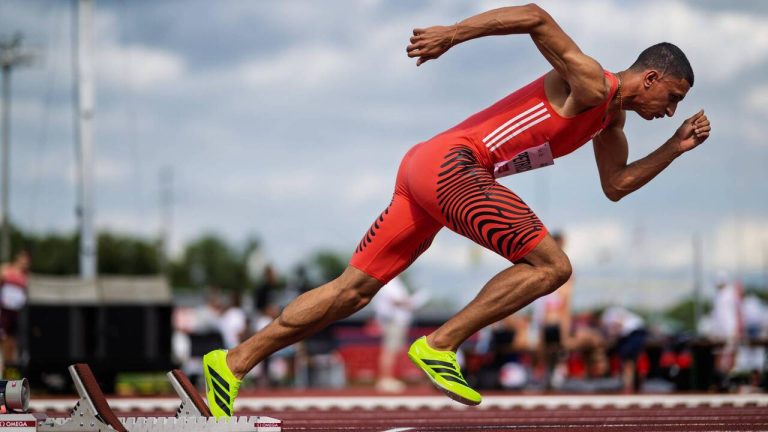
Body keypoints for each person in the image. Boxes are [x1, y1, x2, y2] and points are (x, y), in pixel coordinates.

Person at [202, 4, 710, 417]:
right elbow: (536, 16)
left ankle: (233, 362)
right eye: (672, 98)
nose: (670, 111)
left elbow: (616, 186)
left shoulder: (609, 122)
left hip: (424, 169)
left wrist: (674, 147)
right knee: (553, 266)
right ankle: (441, 345)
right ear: (650, 78)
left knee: (350, 291)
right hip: (455, 166)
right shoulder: (593, 84)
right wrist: (452, 33)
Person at [372, 276, 428, 392]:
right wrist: (411, 302)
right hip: (393, 320)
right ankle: (385, 379)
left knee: (394, 350)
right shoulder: (390, 281)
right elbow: (395, 300)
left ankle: (389, 378)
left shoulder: (395, 281)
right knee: (390, 350)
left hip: (397, 321)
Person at [532, 231, 573, 389]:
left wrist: (565, 327)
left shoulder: (566, 270)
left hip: (555, 318)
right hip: (544, 317)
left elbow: (566, 302)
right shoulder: (541, 265)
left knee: (557, 347)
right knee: (544, 348)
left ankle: (554, 373)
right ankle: (544, 374)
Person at [600, 306, 647, 393]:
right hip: (628, 335)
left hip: (634, 333)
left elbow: (618, 324)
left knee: (628, 359)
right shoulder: (608, 317)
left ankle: (628, 385)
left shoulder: (609, 316)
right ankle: (630, 383)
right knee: (627, 359)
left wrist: (610, 338)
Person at [0, 250, 31, 368]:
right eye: (24, 261)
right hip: (4, 310)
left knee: (12, 340)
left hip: (17, 311)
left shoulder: (26, 275)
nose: (25, 264)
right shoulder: (6, 269)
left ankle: (10, 366)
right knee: (3, 337)